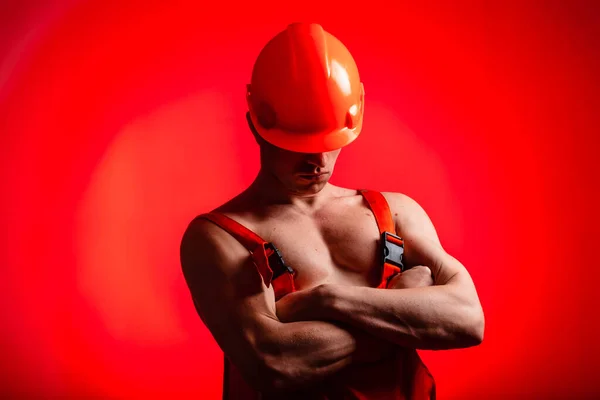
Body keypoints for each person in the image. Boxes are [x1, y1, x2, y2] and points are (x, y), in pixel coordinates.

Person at [180, 22, 484, 400]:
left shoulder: (395, 213)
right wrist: (402, 313)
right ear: (256, 126)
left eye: (331, 141)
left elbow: (468, 319)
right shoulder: (218, 237)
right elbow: (274, 364)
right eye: (298, 143)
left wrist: (328, 301)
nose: (318, 161)